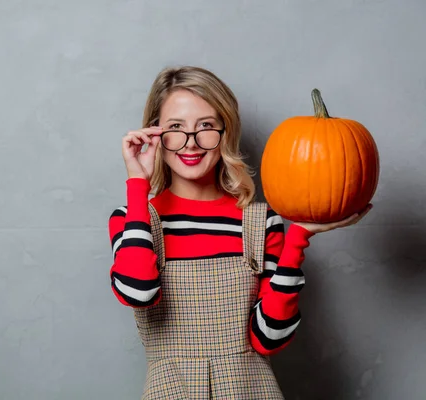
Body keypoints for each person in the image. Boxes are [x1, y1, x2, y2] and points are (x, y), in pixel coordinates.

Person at [107, 66, 371, 399]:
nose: (191, 143)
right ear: (154, 135)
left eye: (206, 126)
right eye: (175, 127)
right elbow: (138, 292)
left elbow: (269, 339)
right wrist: (138, 186)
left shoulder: (261, 223)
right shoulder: (134, 219)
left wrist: (298, 239)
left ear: (225, 132)